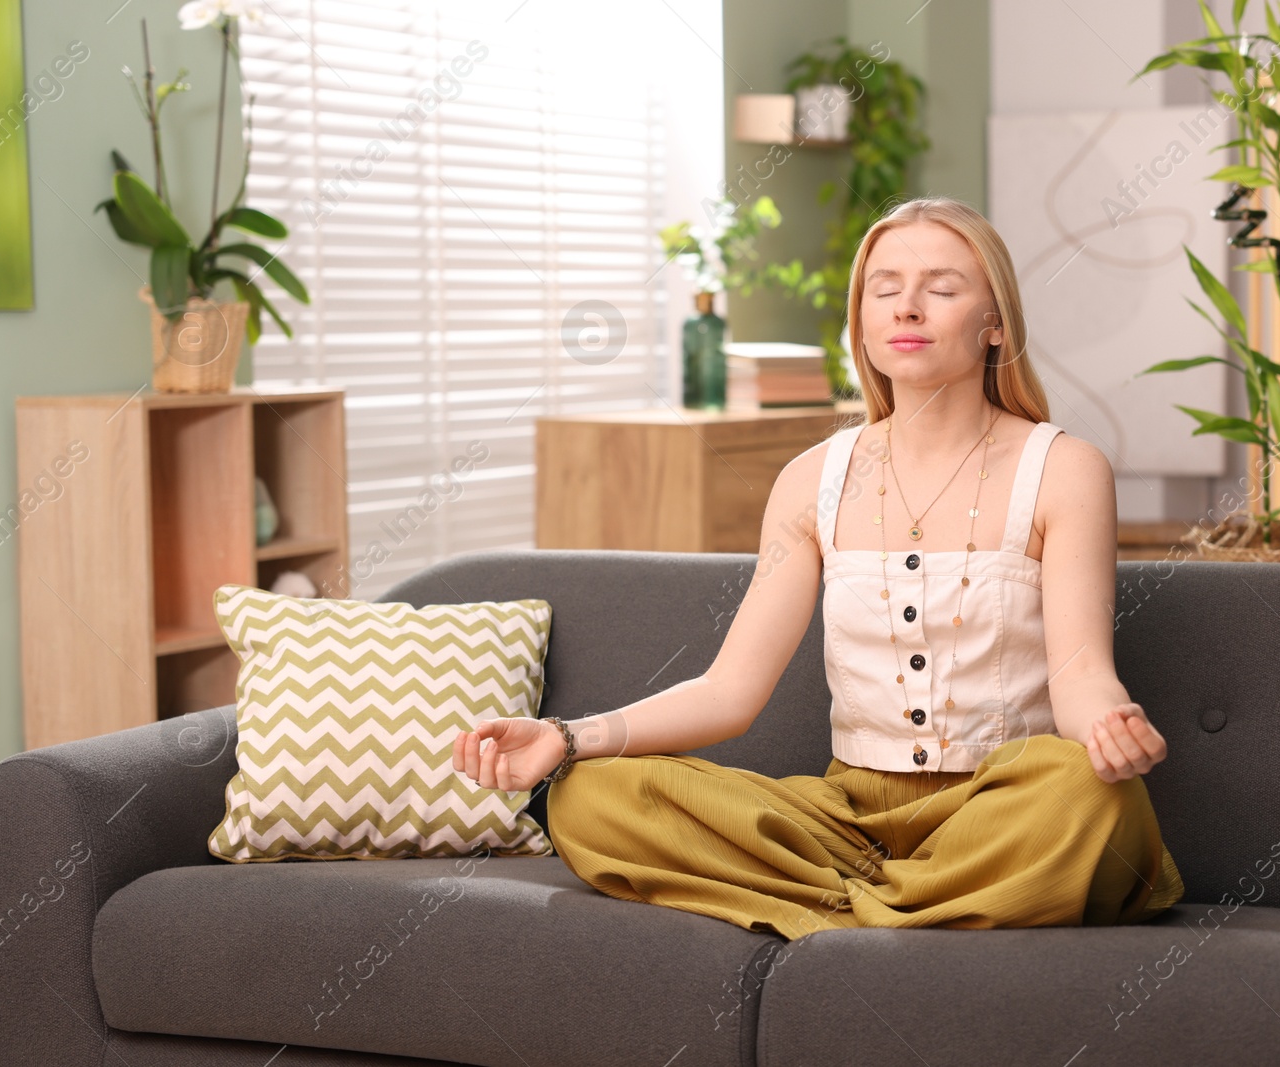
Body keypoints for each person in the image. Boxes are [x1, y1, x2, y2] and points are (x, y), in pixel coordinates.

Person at [453, 196, 1185, 940]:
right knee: (590, 796)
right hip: (845, 826)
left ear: (994, 323)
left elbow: (1080, 672)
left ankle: (847, 914)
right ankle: (917, 905)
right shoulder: (811, 479)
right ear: (862, 324)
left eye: (942, 287)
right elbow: (728, 691)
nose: (907, 307)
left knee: (1089, 795)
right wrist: (568, 736)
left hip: (1000, 805)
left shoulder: (1063, 468)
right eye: (884, 287)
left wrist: (1109, 725)